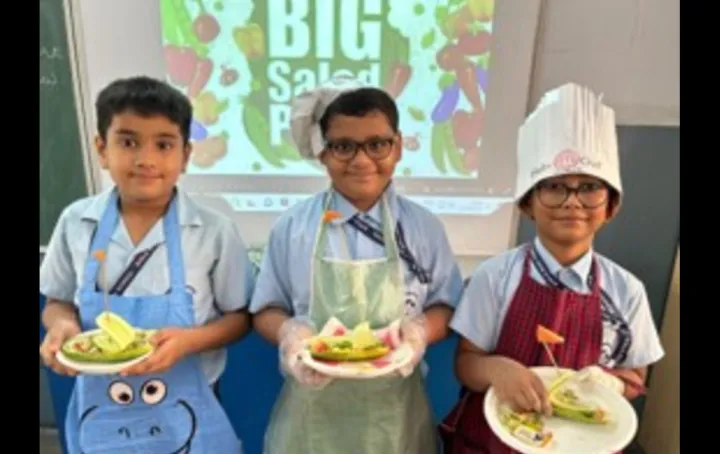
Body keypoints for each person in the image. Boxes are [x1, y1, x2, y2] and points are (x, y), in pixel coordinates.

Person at [438, 82, 665, 453]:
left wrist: (611, 384)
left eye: (589, 187)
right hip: (492, 440)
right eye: (554, 187)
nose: (572, 202)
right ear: (528, 203)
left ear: (611, 206)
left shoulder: (626, 290)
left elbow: (636, 376)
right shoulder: (495, 277)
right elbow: (466, 363)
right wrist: (495, 369)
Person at [250, 76, 464, 454]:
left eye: (377, 144)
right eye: (344, 146)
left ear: (398, 147)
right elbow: (266, 309)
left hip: (395, 417)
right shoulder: (293, 227)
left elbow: (445, 305)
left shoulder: (424, 228)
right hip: (312, 419)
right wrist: (288, 333)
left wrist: (419, 333)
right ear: (323, 152)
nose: (362, 161)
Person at [39, 76, 253, 453]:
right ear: (102, 149)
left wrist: (189, 342)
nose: (146, 160)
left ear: (185, 155)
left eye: (164, 144)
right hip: (102, 406)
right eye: (128, 142)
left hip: (187, 406)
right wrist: (62, 326)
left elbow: (239, 318)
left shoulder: (213, 231)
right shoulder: (76, 222)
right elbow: (58, 301)